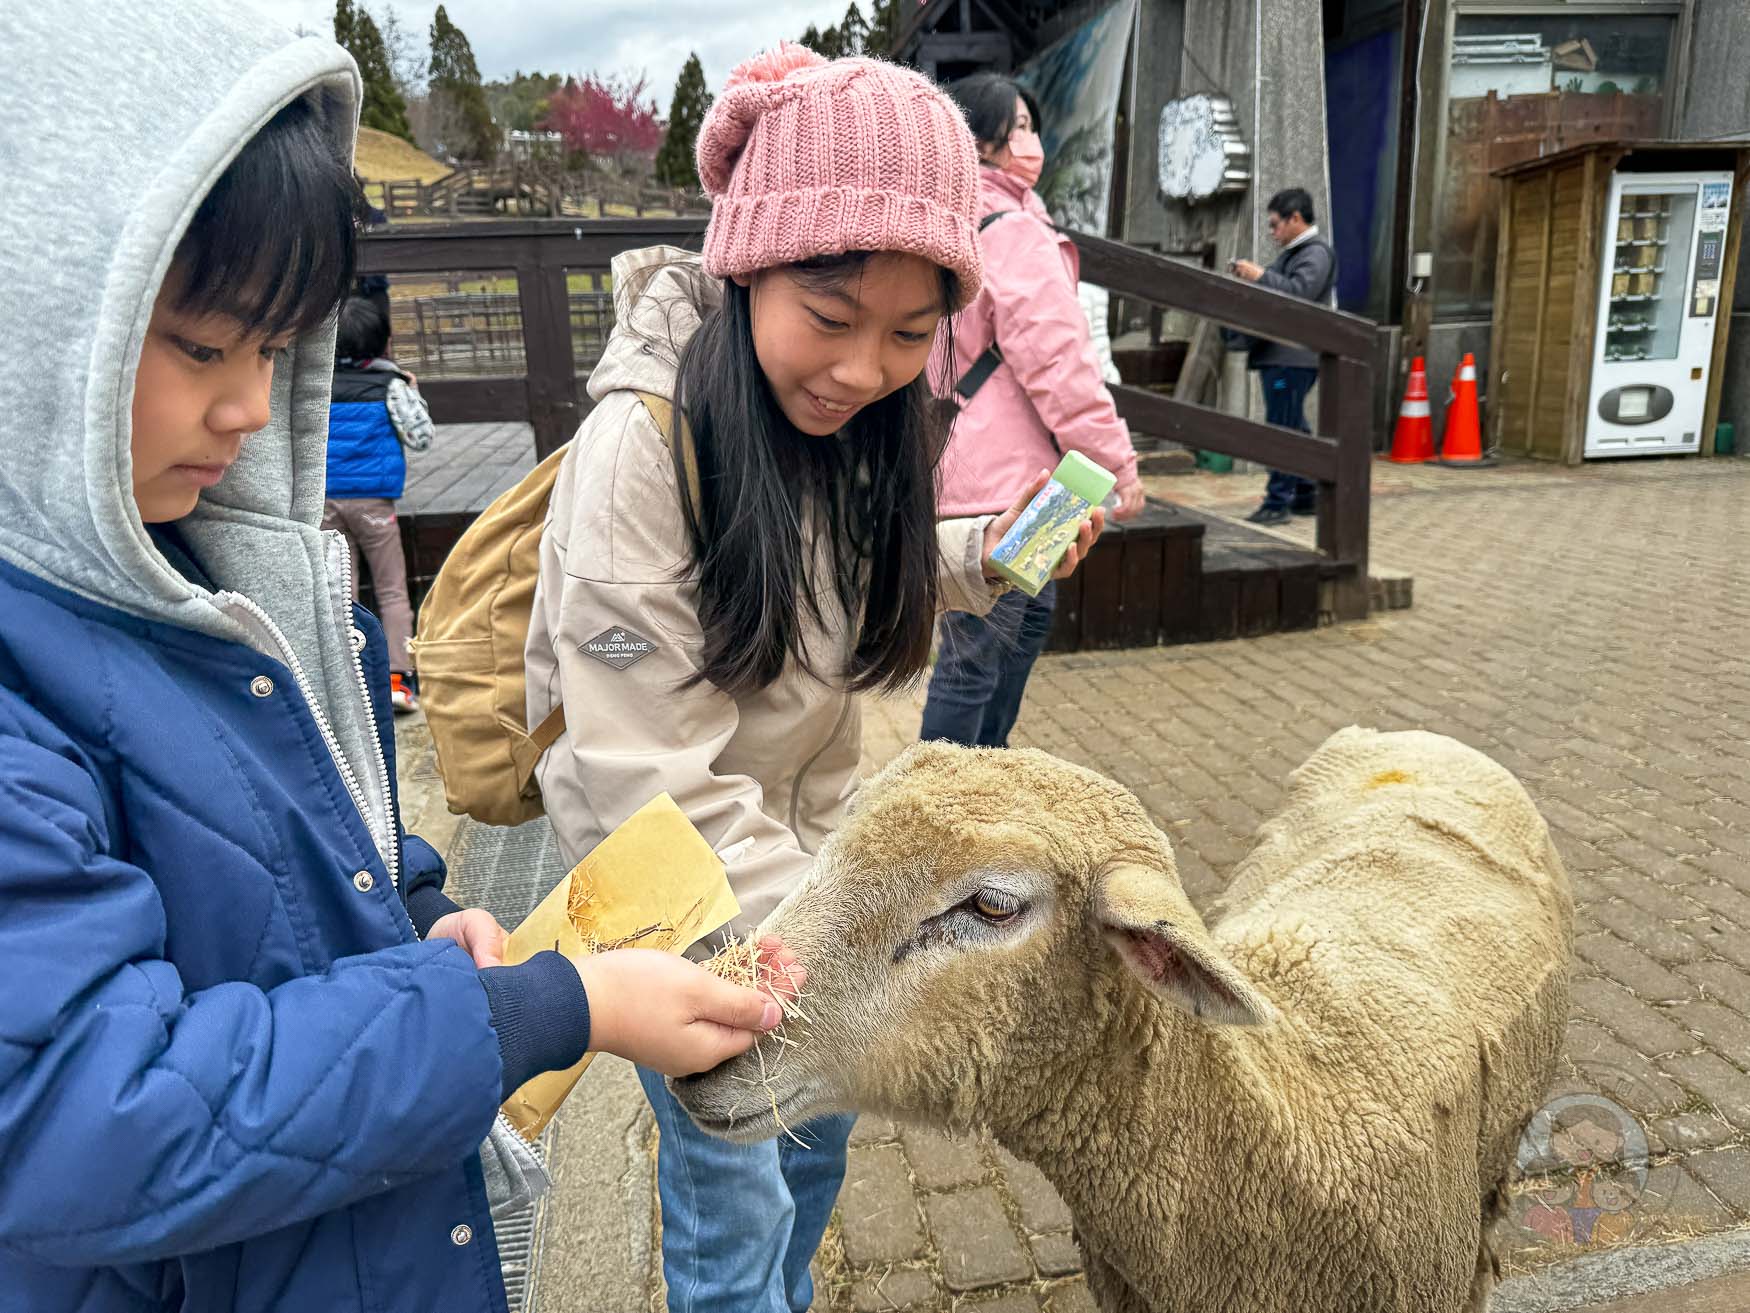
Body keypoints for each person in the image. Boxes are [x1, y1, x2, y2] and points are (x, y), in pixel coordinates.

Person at [0, 7, 795, 1310]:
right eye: (203, 346)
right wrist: (534, 1013)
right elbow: (82, 1118)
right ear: (39, 314)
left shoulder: (228, 576)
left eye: (270, 349)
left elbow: (310, 840)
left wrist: (421, 913)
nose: (253, 406)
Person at [523, 43, 1104, 1313]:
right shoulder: (643, 446)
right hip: (694, 911)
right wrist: (813, 948)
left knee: (818, 1153)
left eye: (910, 333)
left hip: (807, 887)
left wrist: (984, 558)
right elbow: (637, 770)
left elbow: (847, 583)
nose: (863, 369)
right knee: (731, 1209)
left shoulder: (840, 430)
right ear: (746, 265)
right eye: (830, 319)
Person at [920, 72, 1142, 749]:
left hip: (961, 469)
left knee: (1020, 619)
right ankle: (946, 803)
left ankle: (979, 782)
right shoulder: (1012, 229)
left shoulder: (943, 220)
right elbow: (1060, 363)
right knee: (985, 647)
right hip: (1018, 483)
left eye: (1030, 125)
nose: (1030, 141)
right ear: (979, 137)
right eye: (1016, 127)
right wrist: (1115, 466)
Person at [323, 293, 430, 712]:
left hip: (325, 502)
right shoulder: (391, 386)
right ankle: (398, 680)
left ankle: (348, 685)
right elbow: (421, 437)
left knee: (340, 594)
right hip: (374, 504)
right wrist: (412, 393)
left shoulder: (316, 388)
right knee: (391, 590)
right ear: (382, 343)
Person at [1229, 186, 1338, 525]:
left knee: (1283, 430)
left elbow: (1299, 295)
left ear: (1296, 218)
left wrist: (1259, 275)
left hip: (1292, 356)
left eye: (1276, 225)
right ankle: (1305, 492)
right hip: (1284, 355)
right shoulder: (1297, 252)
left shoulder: (1315, 253)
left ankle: (1278, 501)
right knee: (1292, 426)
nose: (1272, 232)